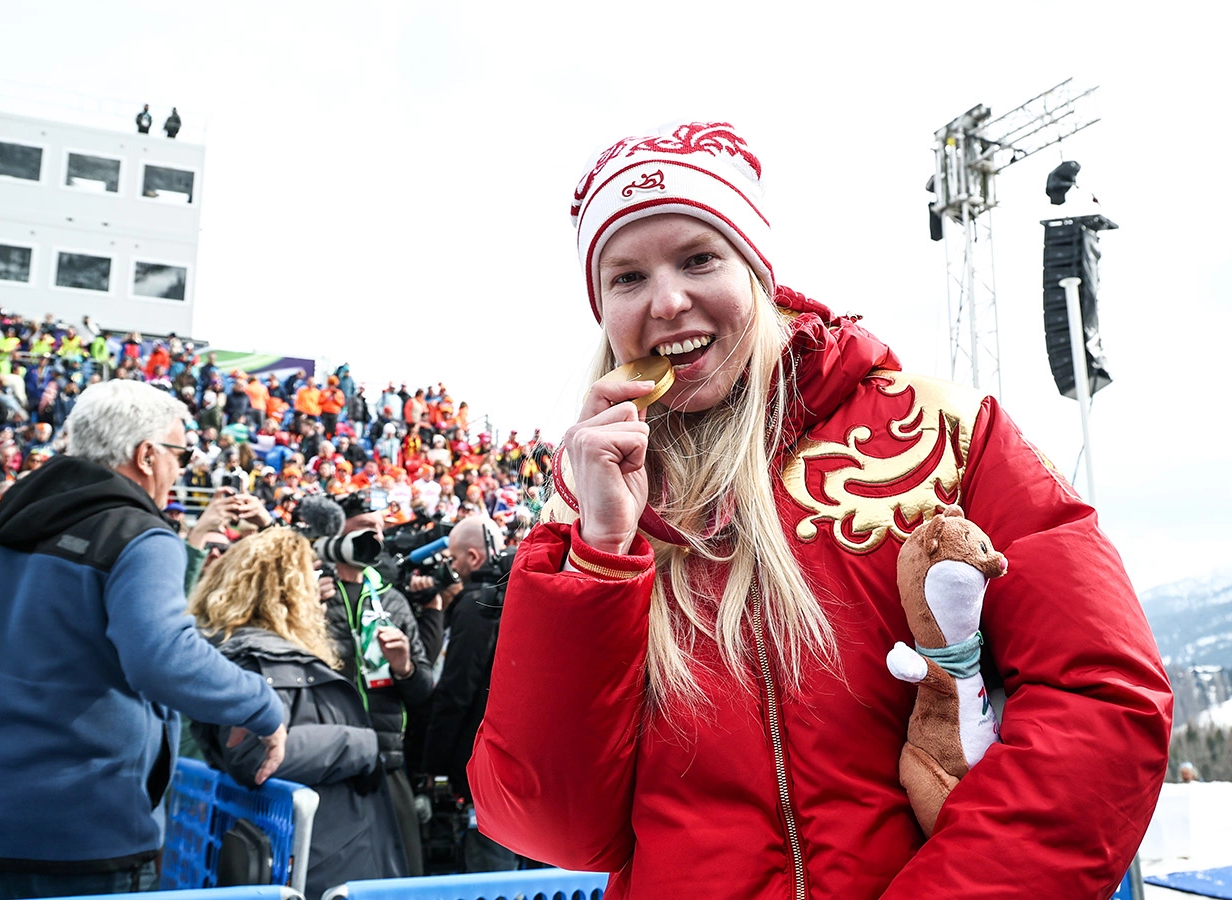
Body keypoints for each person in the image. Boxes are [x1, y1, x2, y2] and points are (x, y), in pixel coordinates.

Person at [466, 122, 1173, 897]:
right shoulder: (586, 508)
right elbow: (553, 825)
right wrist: (600, 555)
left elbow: (1101, 700)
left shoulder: (948, 433)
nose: (667, 300)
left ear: (758, 272)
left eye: (699, 258)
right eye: (626, 277)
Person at [0, 380, 287, 899]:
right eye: (180, 454)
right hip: (76, 840)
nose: (181, 470)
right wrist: (262, 704)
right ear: (146, 455)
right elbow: (163, 657)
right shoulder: (139, 534)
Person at [190, 528, 408, 900]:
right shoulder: (258, 657)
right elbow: (256, 753)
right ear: (287, 591)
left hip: (318, 850)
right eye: (310, 579)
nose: (320, 591)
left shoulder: (251, 650)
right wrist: (362, 744)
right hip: (313, 860)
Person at [323, 496, 442, 877]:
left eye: (379, 529)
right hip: (327, 763)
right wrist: (303, 607)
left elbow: (424, 692)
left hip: (387, 759)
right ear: (335, 536)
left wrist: (404, 666)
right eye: (364, 529)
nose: (375, 537)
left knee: (401, 874)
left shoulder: (392, 600)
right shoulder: (310, 595)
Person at [422, 517, 514, 872]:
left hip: (485, 770)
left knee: (493, 871)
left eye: (455, 559)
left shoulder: (476, 604)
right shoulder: (525, 592)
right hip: (525, 768)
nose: (450, 568)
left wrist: (434, 763)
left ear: (474, 558)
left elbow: (455, 691)